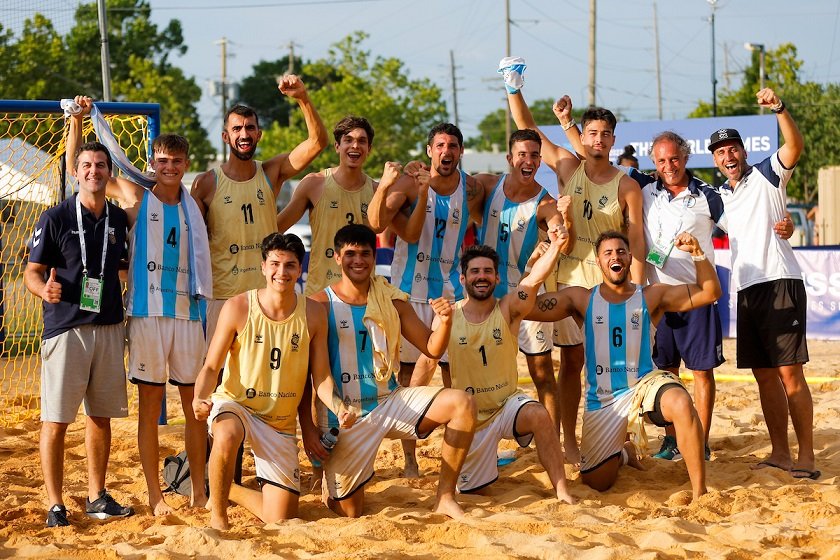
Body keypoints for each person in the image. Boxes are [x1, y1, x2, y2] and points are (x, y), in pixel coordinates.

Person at [66, 96, 211, 515]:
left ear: (186, 164)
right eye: (162, 161)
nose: (169, 168)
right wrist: (80, 119)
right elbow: (78, 170)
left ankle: (198, 489)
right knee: (150, 410)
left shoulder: (193, 207)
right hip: (147, 315)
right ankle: (154, 494)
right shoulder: (134, 195)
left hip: (188, 314)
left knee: (194, 409)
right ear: (152, 162)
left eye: (176, 162)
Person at [504, 61, 644, 464]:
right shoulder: (568, 166)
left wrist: (637, 290)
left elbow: (634, 241)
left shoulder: (627, 185)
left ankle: (624, 439)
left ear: (613, 140)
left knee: (615, 364)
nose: (598, 140)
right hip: (565, 280)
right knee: (571, 364)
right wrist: (514, 88)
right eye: (592, 133)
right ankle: (567, 441)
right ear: (584, 137)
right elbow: (529, 130)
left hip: (607, 285)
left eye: (605, 135)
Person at [527, 231, 719, 500]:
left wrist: (698, 252)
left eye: (620, 252)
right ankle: (624, 453)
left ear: (630, 258)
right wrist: (537, 263)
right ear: (598, 261)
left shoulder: (652, 295)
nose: (615, 257)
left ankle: (700, 492)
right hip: (603, 400)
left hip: (644, 385)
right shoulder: (581, 299)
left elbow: (710, 292)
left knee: (680, 402)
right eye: (608, 253)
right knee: (597, 482)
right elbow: (525, 307)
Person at [309, 224, 477, 518]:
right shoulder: (320, 304)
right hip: (346, 416)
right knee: (348, 513)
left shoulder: (392, 298)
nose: (358, 260)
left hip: (389, 400)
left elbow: (432, 348)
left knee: (463, 403)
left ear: (374, 257)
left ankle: (445, 497)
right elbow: (314, 379)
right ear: (337, 258)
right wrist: (315, 433)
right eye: (350, 254)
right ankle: (337, 483)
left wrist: (445, 321)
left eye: (365, 253)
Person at [192, 233, 356, 530]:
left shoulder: (314, 313)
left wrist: (339, 406)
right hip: (238, 404)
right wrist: (199, 397)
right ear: (264, 267)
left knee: (281, 516)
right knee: (227, 433)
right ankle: (218, 516)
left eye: (290, 265)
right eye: (275, 264)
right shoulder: (239, 306)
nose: (282, 272)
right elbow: (211, 366)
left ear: (300, 269)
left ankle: (225, 487)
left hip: (279, 422)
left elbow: (320, 378)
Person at [709, 88, 818, 479]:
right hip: (746, 290)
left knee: (791, 373)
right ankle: (779, 452)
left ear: (742, 151)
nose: (728, 156)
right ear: (716, 161)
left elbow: (795, 144)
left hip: (780, 281)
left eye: (733, 149)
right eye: (720, 153)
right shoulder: (719, 197)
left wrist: (779, 108)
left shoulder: (769, 172)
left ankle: (806, 456)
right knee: (764, 375)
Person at [24, 141, 134, 527]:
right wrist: (44, 290)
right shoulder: (53, 217)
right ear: (75, 171)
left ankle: (96, 496)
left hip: (107, 327)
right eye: (86, 165)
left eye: (101, 165)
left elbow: (119, 266)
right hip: (66, 328)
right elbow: (31, 273)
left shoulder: (119, 219)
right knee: (55, 420)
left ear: (109, 172)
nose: (93, 171)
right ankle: (55, 503)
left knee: (100, 418)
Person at [367, 122, 482, 478]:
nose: (446, 152)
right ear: (430, 151)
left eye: (453, 146)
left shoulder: (474, 187)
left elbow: (509, 197)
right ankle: (410, 461)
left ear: (460, 152)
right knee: (404, 377)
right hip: (406, 292)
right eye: (440, 146)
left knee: (456, 376)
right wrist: (388, 182)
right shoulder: (410, 182)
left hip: (449, 294)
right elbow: (376, 222)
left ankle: (461, 459)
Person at [191, 74, 328, 345]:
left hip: (265, 295)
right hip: (222, 297)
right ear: (225, 136)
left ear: (258, 134)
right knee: (219, 378)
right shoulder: (206, 183)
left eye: (250, 128)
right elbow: (193, 241)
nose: (244, 134)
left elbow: (317, 143)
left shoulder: (270, 172)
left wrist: (303, 98)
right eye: (237, 129)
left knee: (265, 381)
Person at [442, 229, 575, 504]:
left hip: (506, 405)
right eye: (475, 271)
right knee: (475, 494)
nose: (482, 276)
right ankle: (484, 464)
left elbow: (535, 279)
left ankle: (561, 490)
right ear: (463, 278)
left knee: (539, 414)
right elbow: (426, 361)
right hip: (471, 419)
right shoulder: (448, 317)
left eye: (488, 271)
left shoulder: (507, 309)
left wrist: (557, 245)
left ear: (497, 277)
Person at [470, 129, 572, 456]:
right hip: (484, 296)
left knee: (542, 372)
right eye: (523, 155)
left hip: (525, 295)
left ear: (540, 161)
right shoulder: (487, 184)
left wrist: (559, 227)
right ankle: (484, 444)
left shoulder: (544, 203)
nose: (528, 161)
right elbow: (451, 184)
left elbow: (557, 227)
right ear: (510, 158)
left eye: (534, 156)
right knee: (482, 374)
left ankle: (550, 445)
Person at [276, 115, 378, 296]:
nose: (355, 146)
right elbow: (276, 227)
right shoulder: (314, 183)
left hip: (362, 296)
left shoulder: (378, 190)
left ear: (369, 148)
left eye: (362, 141)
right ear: (337, 146)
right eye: (348, 140)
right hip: (320, 293)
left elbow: (403, 231)